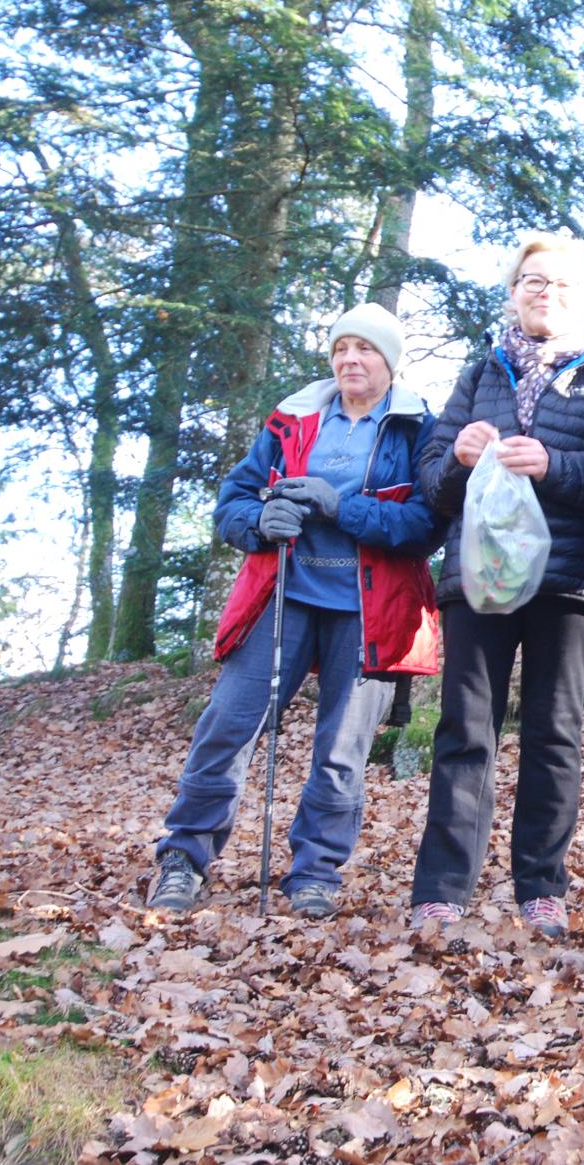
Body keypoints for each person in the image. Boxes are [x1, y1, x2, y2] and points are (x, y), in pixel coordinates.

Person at [146, 304, 443, 919]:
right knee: (228, 725)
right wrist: (258, 521)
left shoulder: (418, 428)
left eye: (365, 349)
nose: (350, 360)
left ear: (389, 361)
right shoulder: (293, 418)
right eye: (341, 349)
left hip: (371, 612)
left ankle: (315, 874)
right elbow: (232, 500)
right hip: (280, 599)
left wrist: (342, 508)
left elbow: (425, 525)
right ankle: (184, 859)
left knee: (341, 750)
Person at [409, 234, 584, 940]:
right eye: (531, 280)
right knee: (465, 730)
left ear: (583, 298)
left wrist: (553, 464)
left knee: (554, 733)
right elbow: (432, 483)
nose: (544, 292)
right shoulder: (479, 373)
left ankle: (541, 887)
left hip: (566, 579)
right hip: (476, 577)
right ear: (512, 292)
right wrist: (463, 458)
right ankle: (442, 888)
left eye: (559, 284)